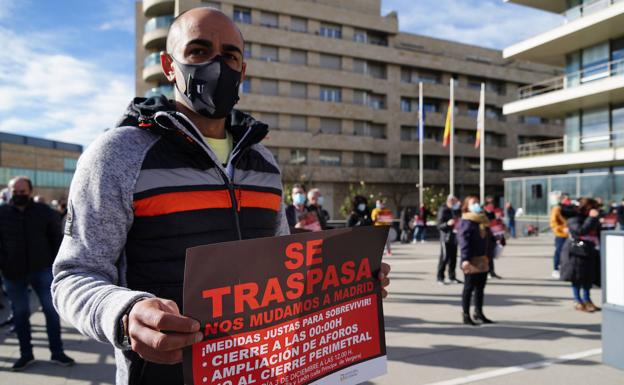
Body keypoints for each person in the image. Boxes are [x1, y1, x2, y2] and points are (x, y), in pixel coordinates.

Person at [51, 9, 390, 385]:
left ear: (242, 70)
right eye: (198, 51)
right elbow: (74, 275)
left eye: (229, 55)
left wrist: (350, 278)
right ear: (168, 65)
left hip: (263, 370)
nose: (217, 64)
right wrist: (125, 313)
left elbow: (280, 264)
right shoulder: (117, 155)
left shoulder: (264, 162)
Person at [0, 177, 74, 371]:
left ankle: (57, 352)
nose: (19, 195)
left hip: (42, 271)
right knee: (20, 314)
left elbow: (57, 241)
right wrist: (4, 264)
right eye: (15, 192)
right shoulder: (2, 213)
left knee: (51, 311)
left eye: (22, 192)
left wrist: (55, 266)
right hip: (13, 273)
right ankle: (26, 354)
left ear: (30, 192)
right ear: (9, 192)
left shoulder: (45, 213)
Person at [457, 195, 495, 326]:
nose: (477, 205)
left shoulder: (483, 220)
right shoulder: (466, 221)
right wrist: (465, 259)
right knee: (468, 288)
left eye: (478, 202)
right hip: (471, 260)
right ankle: (466, 314)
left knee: (480, 288)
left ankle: (478, 312)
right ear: (467, 206)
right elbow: (463, 241)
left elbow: (488, 238)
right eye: (474, 203)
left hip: (483, 259)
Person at [560, 198, 601, 312]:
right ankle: (578, 301)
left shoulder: (587, 217)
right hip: (576, 250)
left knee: (588, 277)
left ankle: (587, 300)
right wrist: (592, 218)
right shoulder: (574, 217)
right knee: (577, 277)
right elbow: (580, 231)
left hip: (588, 249)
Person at [436, 195, 461, 284]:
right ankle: (440, 277)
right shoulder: (443, 210)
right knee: (444, 257)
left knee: (453, 258)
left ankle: (452, 276)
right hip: (446, 238)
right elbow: (439, 225)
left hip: (454, 237)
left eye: (455, 201)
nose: (454, 203)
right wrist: (447, 224)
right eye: (452, 201)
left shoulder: (456, 210)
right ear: (448, 201)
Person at [549, 192, 569, 279]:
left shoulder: (567, 209)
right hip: (561, 234)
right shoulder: (556, 209)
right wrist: (561, 229)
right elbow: (553, 223)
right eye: (565, 198)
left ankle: (564, 269)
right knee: (559, 251)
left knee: (566, 253)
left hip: (568, 234)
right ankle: (555, 269)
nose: (567, 200)